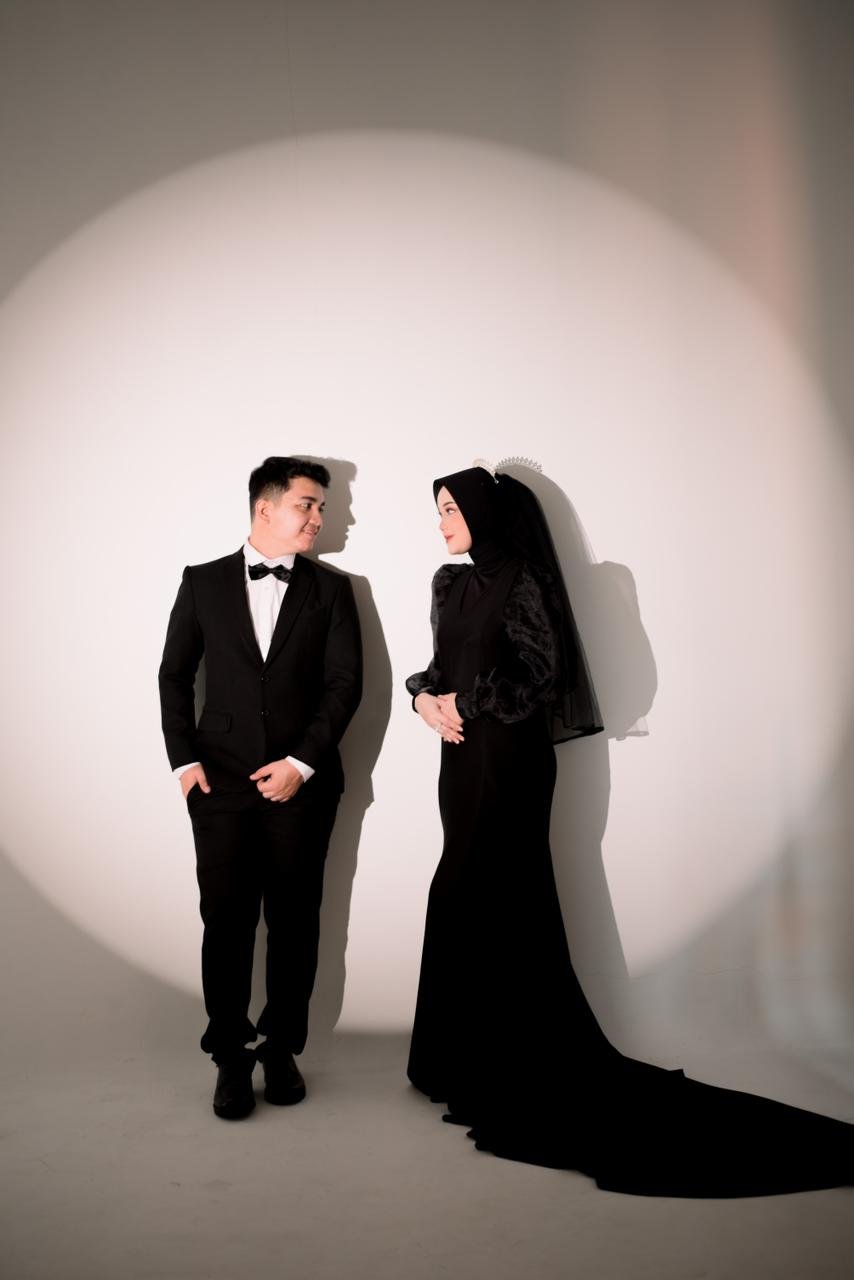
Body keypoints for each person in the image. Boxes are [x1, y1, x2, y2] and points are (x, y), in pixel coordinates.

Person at [406, 462, 854, 1196]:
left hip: (511, 762)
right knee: (459, 894)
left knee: (502, 897)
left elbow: (542, 673)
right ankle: (450, 1061)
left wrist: (468, 701)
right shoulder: (447, 584)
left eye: (451, 508)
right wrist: (425, 699)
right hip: (458, 764)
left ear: (484, 512)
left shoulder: (525, 580)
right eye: (439, 510)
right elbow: (436, 667)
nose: (442, 522)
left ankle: (506, 1065)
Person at [159, 456, 362, 1120]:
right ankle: (230, 1057)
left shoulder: (333, 591)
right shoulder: (202, 582)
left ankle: (280, 1049)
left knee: (295, 921)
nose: (320, 518)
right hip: (217, 783)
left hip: (303, 785)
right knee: (226, 922)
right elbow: (173, 675)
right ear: (264, 508)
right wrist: (184, 765)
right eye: (308, 504)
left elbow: (344, 685)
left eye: (323, 507)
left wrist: (301, 764)